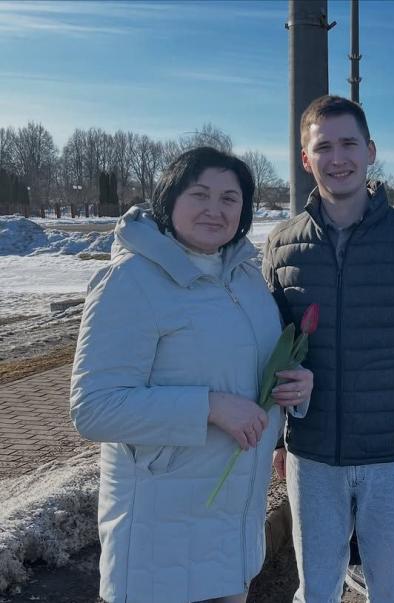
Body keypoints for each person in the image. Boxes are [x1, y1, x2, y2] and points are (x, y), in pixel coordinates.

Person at [70, 147, 313, 603]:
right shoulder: (131, 280)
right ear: (169, 198)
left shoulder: (244, 278)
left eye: (229, 199)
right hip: (161, 544)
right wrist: (210, 407)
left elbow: (253, 368)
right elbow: (94, 408)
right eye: (199, 194)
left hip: (232, 536)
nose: (214, 210)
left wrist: (295, 382)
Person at [263, 95, 394, 603]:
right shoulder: (282, 246)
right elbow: (272, 353)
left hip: (393, 457)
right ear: (305, 159)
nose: (338, 158)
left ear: (370, 151)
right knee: (316, 591)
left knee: (390, 590)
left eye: (349, 143)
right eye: (323, 147)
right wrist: (278, 441)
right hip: (313, 457)